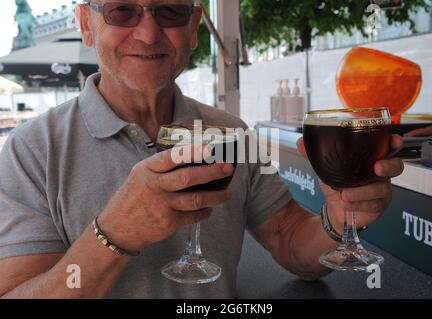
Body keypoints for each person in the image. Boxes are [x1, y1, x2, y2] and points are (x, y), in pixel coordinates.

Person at [0, 0, 404, 299]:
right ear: (87, 25)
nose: (148, 33)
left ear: (193, 27)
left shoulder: (232, 134)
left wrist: (339, 218)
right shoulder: (31, 150)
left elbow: (291, 242)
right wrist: (113, 234)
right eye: (122, 11)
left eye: (170, 11)